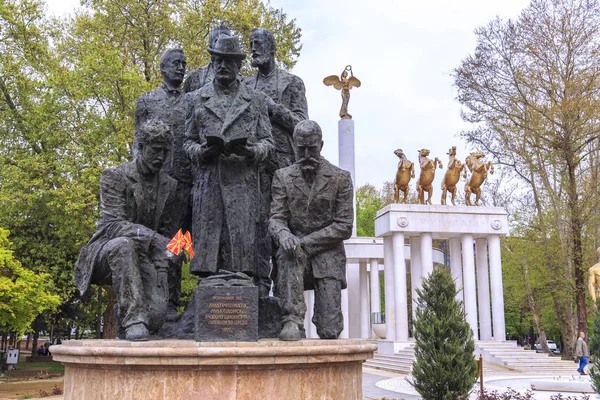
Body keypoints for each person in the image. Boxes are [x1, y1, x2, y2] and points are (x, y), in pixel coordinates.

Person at [74, 120, 180, 340]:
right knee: (125, 245)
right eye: (155, 150)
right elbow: (113, 224)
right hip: (107, 250)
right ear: (140, 147)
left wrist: (164, 265)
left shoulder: (170, 186)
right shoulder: (114, 176)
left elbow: (166, 233)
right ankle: (132, 318)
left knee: (158, 317)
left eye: (165, 152)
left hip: (145, 256)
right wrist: (155, 239)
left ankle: (127, 312)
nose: (160, 157)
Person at [184, 35, 273, 278]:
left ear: (238, 65)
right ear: (212, 63)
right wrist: (201, 152)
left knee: (242, 263)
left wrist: (253, 151)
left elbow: (268, 141)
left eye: (229, 61)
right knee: (208, 263)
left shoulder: (254, 100)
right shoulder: (196, 98)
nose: (223, 66)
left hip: (242, 185)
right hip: (209, 184)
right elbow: (187, 141)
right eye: (218, 61)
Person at [269, 120, 354, 341]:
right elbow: (276, 218)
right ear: (294, 145)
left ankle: (326, 319)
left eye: (312, 148)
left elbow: (344, 226)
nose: (307, 154)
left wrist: (304, 243)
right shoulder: (282, 176)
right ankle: (291, 319)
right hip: (294, 255)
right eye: (301, 148)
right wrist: (284, 234)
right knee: (288, 252)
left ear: (321, 145)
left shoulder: (340, 178)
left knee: (330, 330)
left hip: (327, 255)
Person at [246, 28, 309, 298]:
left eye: (258, 45)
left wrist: (272, 107)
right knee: (257, 227)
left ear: (272, 48)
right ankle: (259, 290)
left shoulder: (292, 83)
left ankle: (285, 298)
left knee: (282, 227)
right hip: (254, 168)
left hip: (284, 167)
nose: (253, 50)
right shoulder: (246, 86)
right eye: (251, 46)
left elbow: (302, 126)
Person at [134, 49, 189, 318]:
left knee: (184, 243)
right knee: (160, 243)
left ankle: (178, 303)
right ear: (162, 68)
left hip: (187, 184)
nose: (181, 68)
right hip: (158, 186)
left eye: (183, 64)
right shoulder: (147, 101)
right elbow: (138, 144)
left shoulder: (192, 102)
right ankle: (157, 303)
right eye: (175, 64)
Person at [183, 25, 232, 93]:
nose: (222, 43)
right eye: (217, 40)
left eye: (226, 40)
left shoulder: (242, 81)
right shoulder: (195, 77)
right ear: (210, 45)